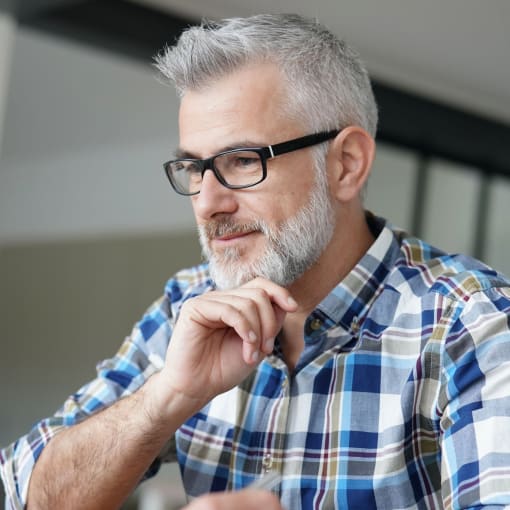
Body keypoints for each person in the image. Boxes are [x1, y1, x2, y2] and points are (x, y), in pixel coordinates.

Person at [1, 12, 510, 510]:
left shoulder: (474, 323)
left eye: (242, 161)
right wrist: (166, 397)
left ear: (346, 165)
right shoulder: (190, 303)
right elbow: (23, 498)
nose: (206, 202)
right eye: (192, 168)